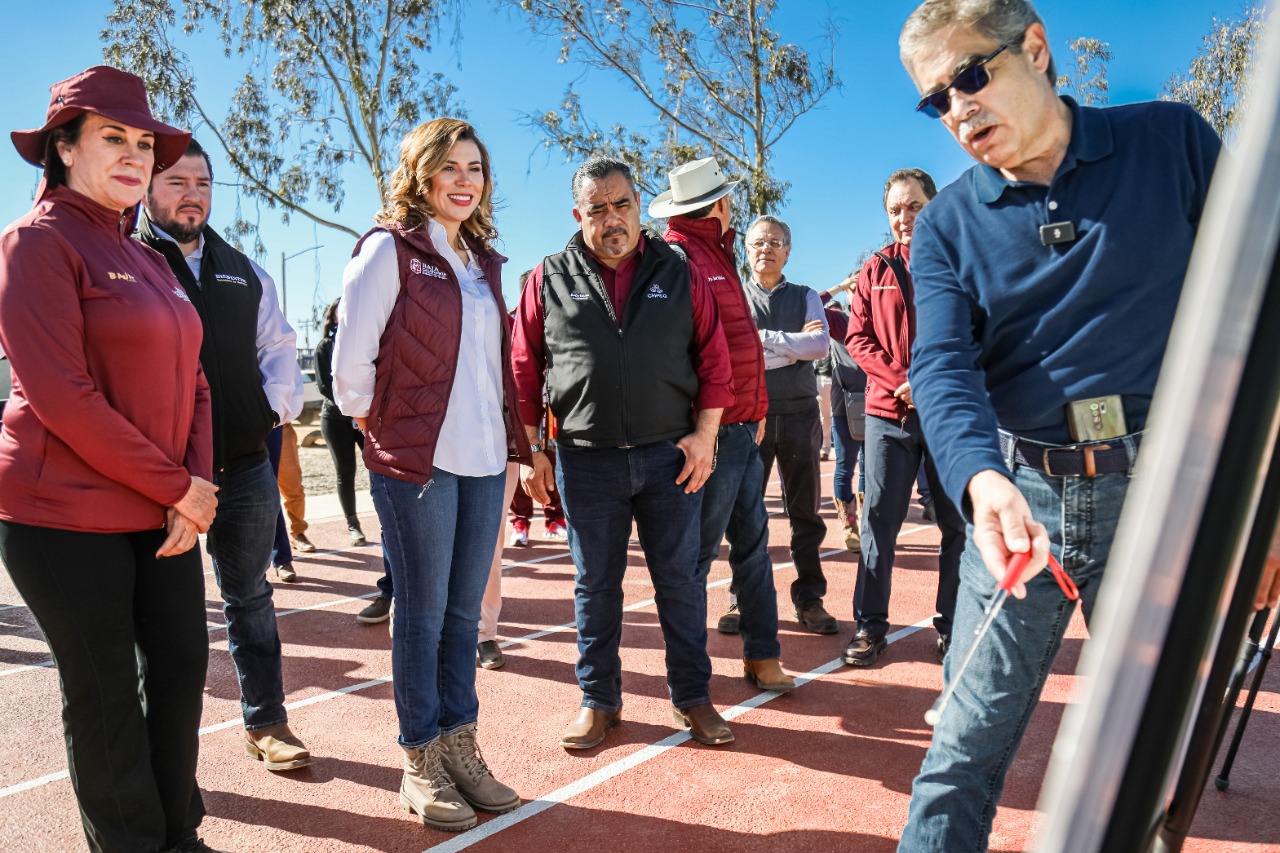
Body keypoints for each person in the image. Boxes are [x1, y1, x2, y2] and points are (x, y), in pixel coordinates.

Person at [894, 2, 1221, 849]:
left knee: (1149, 757)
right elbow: (941, 365)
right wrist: (981, 478)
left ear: (1035, 49)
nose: (958, 110)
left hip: (1160, 500)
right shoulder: (944, 226)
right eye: (937, 100)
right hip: (1023, 504)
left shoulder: (1175, 144)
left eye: (971, 76)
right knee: (957, 755)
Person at [0, 65, 221, 853]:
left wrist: (196, 485)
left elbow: (196, 378)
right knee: (103, 697)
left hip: (160, 509)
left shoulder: (154, 260)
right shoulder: (36, 242)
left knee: (179, 671)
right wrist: (180, 486)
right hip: (62, 515)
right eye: (112, 139)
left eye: (142, 142)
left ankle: (179, 836)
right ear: (63, 148)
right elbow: (63, 396)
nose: (135, 155)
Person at [333, 117, 529, 832]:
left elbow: (494, 370)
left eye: (475, 168)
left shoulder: (482, 262)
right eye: (450, 166)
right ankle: (420, 758)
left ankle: (460, 746)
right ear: (421, 174)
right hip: (415, 463)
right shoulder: (389, 251)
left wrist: (518, 443)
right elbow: (349, 370)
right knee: (419, 614)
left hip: (483, 462)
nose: (465, 180)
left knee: (463, 614)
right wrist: (379, 427)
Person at [514, 156, 736, 750]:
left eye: (622, 205)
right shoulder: (547, 277)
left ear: (639, 206)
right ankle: (599, 701)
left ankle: (693, 698)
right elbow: (524, 371)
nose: (612, 219)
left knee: (681, 584)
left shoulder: (679, 268)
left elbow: (715, 358)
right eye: (598, 209)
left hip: (670, 457)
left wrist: (706, 436)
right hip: (585, 458)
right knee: (595, 586)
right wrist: (533, 448)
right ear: (577, 214)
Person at [139, 137, 310, 772]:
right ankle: (159, 754)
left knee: (251, 600)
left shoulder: (245, 270)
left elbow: (280, 347)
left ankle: (267, 723)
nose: (192, 194)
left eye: (203, 183)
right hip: (159, 480)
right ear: (148, 190)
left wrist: (271, 410)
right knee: (164, 620)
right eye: (177, 182)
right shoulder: (128, 262)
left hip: (243, 467)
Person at [659, 157, 794, 692]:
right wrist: (708, 429)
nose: (732, 205)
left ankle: (763, 655)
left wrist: (756, 412)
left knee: (753, 548)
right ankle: (689, 684)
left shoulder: (715, 254)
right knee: (696, 557)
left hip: (741, 429)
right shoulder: (679, 257)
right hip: (714, 432)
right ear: (717, 204)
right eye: (728, 198)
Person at [844, 168, 965, 668]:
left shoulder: (961, 264)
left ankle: (954, 627)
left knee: (958, 527)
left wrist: (931, 382)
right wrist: (900, 380)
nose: (904, 217)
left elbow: (974, 331)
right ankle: (870, 627)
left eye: (913, 206)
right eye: (895, 209)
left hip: (947, 414)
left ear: (933, 206)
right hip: (887, 416)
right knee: (878, 523)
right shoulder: (875, 270)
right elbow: (857, 339)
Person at [743, 215, 834, 633]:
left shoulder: (805, 295)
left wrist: (764, 340)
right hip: (749, 418)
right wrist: (791, 345)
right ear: (747, 248)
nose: (767, 249)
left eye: (775, 242)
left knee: (805, 514)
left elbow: (819, 344)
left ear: (788, 251)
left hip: (800, 414)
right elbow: (733, 355)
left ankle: (810, 599)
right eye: (759, 242)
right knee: (744, 512)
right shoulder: (736, 297)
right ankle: (740, 599)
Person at [315, 298, 396, 625]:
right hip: (337, 417)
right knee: (344, 473)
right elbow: (326, 385)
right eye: (338, 306)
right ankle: (352, 524)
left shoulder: (372, 337)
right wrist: (353, 406)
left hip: (370, 419)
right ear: (333, 315)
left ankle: (398, 591)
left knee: (386, 483)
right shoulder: (326, 345)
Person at [278, 422, 314, 552]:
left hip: (281, 428)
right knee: (259, 494)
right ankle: (265, 541)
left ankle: (298, 532)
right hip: (249, 428)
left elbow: (294, 401)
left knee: (293, 488)